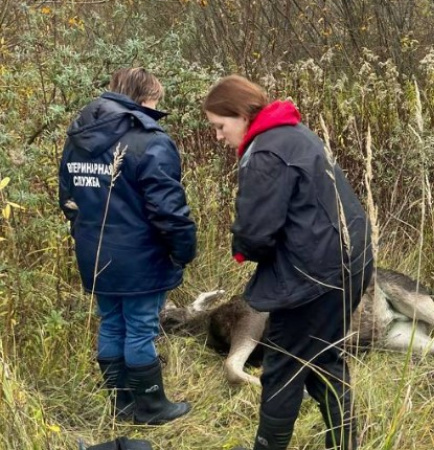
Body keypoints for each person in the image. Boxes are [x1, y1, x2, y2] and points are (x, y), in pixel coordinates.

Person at [203, 75, 374, 450]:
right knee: (322, 356)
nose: (217, 136)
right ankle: (345, 442)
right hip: (350, 263)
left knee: (282, 366)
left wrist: (243, 249)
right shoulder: (295, 133)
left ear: (242, 115)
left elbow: (255, 234)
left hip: (314, 277)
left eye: (220, 126)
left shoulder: (264, 154)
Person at [58, 68, 196, 425]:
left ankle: (120, 406)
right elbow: (168, 210)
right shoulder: (150, 140)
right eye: (155, 101)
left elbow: (68, 200)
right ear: (145, 98)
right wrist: (183, 250)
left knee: (111, 323)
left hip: (94, 252)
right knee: (140, 327)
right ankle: (151, 408)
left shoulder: (78, 138)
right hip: (141, 256)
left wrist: (87, 238)